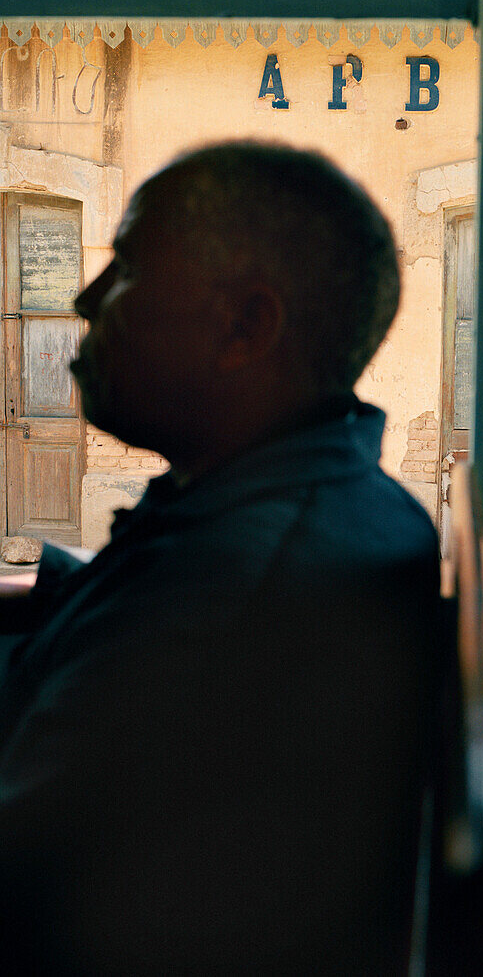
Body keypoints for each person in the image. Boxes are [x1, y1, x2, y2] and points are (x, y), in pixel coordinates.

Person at [0, 142, 442, 974]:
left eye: (126, 268)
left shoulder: (225, 604)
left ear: (245, 327)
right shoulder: (325, 497)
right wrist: (39, 588)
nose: (86, 298)